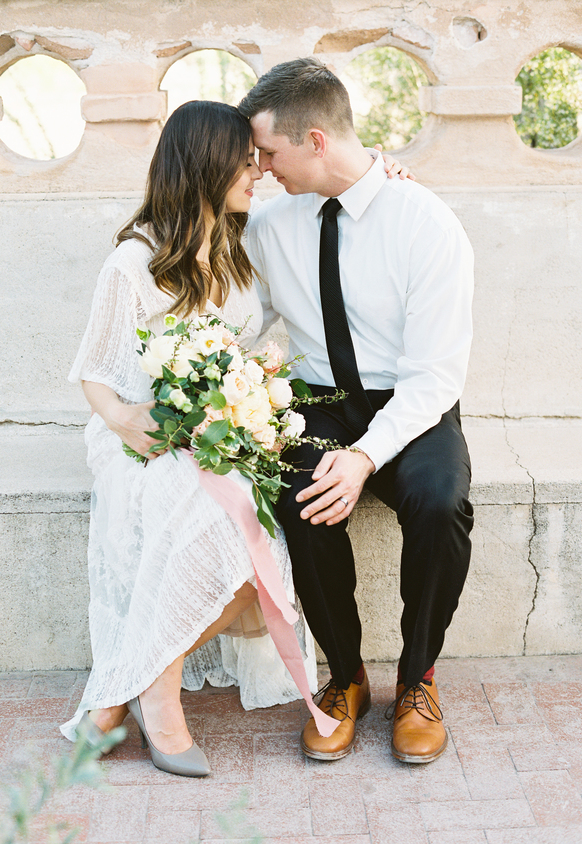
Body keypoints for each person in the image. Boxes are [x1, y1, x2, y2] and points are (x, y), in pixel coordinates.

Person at [61, 98, 408, 776]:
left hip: (226, 434)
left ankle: (132, 683)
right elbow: (94, 373)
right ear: (205, 166)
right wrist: (126, 419)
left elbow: (334, 207)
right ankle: (158, 704)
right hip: (147, 436)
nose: (259, 173)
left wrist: (384, 178)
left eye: (259, 160)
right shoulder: (133, 264)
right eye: (245, 164)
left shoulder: (240, 243)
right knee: (202, 513)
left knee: (262, 556)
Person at [238, 58, 475, 764]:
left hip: (409, 401)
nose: (261, 167)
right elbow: (243, 321)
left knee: (440, 501)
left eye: (268, 153)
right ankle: (344, 675)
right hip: (315, 399)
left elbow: (436, 375)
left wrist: (368, 452)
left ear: (314, 140)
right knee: (296, 486)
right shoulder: (268, 222)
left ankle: (418, 676)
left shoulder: (426, 222)